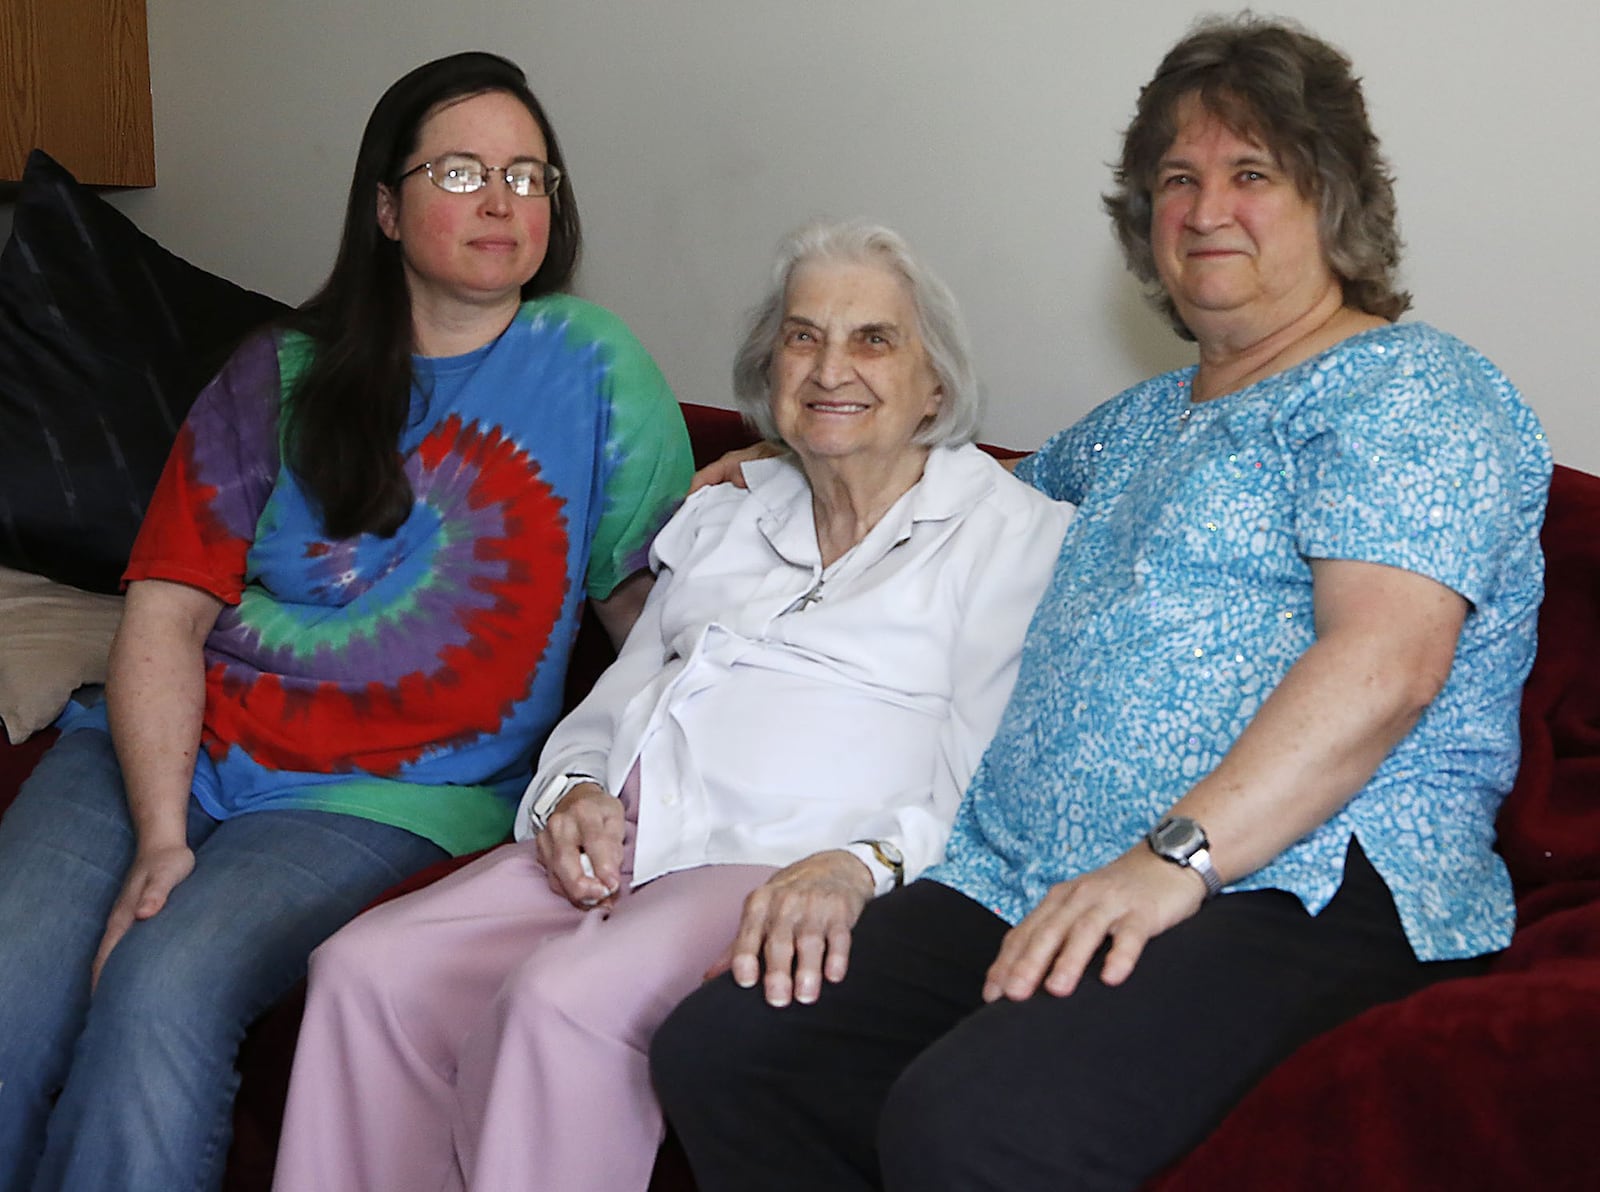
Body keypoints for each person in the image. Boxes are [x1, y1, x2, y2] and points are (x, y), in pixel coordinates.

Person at [650, 16, 1553, 1192]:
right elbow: (948, 519)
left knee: (976, 1121)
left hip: (1297, 879)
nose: (1205, 207)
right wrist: (792, 461)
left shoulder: (1413, 389)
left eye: (1250, 173)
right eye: (1175, 179)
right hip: (1028, 867)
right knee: (732, 1050)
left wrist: (1172, 855)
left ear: (1331, 200)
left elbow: (1387, 663)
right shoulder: (1135, 424)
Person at [0, 51, 691, 1192]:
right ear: (385, 204)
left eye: (531, 175)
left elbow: (649, 611)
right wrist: (163, 834)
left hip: (393, 793)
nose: (503, 199)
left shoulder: (595, 366)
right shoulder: (278, 372)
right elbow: (168, 616)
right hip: (178, 740)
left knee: (164, 982)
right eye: (462, 170)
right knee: (14, 974)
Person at [269, 219, 1073, 1192]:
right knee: (364, 968)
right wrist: (571, 792)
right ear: (769, 369)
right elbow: (617, 704)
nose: (831, 367)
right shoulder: (729, 514)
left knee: (562, 1004)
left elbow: (994, 770)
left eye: (873, 339)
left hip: (780, 855)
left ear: (934, 388)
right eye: (801, 335)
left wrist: (864, 865)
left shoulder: (1009, 536)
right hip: (630, 838)